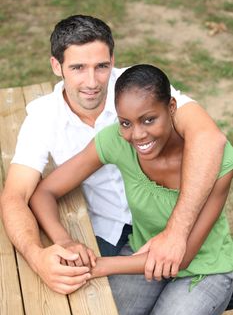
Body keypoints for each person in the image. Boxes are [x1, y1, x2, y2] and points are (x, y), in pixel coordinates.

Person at [0, 15, 227, 295]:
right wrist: (39, 255)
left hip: (167, 222)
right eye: (78, 68)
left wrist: (175, 232)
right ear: (56, 66)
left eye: (102, 66)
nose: (92, 82)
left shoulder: (138, 88)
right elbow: (15, 196)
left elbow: (210, 138)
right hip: (105, 230)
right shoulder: (43, 117)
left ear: (113, 60)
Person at [30, 64, 233, 315]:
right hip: (139, 255)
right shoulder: (117, 141)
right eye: (126, 122)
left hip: (204, 270)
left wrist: (96, 266)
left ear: (172, 108)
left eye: (149, 119)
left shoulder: (214, 161)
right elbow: (44, 192)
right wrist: (64, 241)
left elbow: (180, 256)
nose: (137, 135)